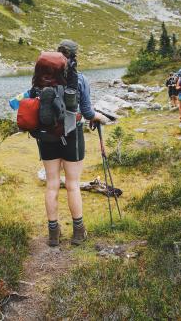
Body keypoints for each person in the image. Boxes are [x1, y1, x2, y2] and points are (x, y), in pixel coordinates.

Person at [37, 39, 106, 247]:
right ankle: (78, 232)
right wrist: (98, 117)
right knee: (73, 184)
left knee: (51, 185)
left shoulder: (42, 78)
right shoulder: (81, 79)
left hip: (46, 135)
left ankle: (53, 234)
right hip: (72, 134)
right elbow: (86, 112)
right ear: (75, 56)